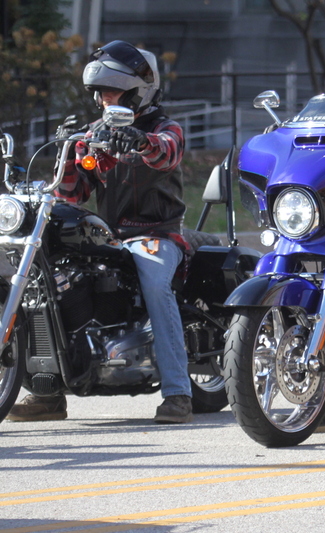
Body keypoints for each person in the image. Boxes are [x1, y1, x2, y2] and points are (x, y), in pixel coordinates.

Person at [7, 40, 194, 424]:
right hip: (110, 236)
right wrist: (72, 156)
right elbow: (72, 194)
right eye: (100, 94)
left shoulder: (164, 128)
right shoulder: (95, 133)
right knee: (51, 283)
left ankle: (178, 393)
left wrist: (141, 142)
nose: (104, 101)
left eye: (111, 92)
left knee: (155, 284)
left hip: (156, 234)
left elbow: (166, 152)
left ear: (136, 91)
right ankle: (48, 392)